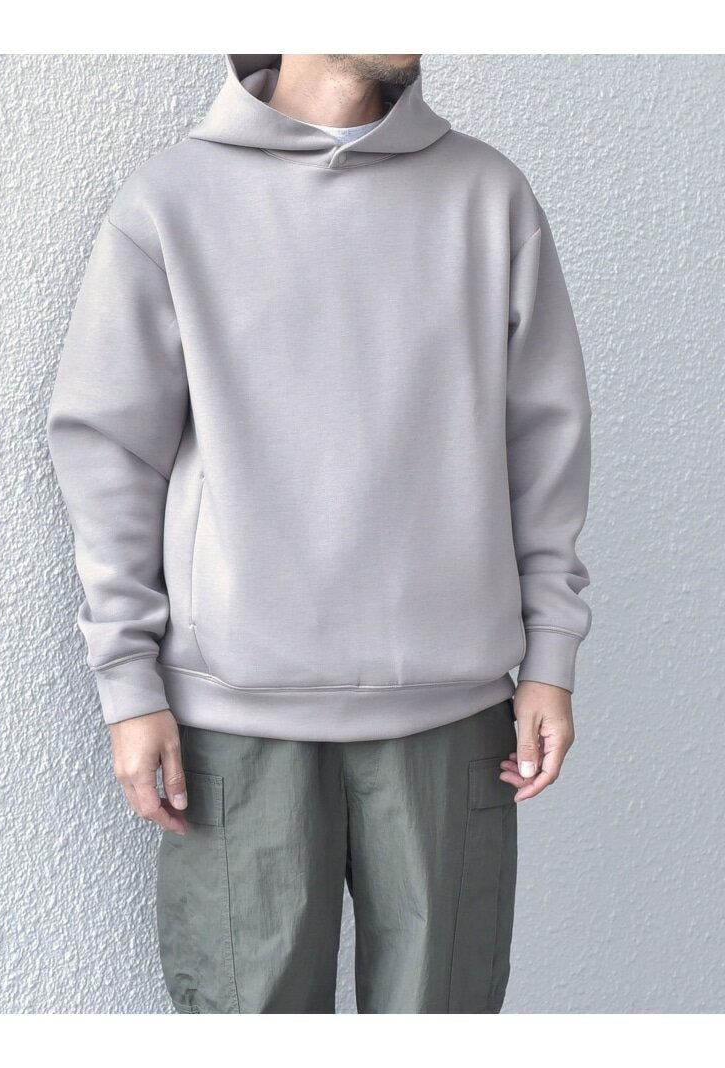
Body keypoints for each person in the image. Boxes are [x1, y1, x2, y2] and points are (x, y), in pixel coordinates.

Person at [46, 53, 593, 1014]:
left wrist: (551, 655)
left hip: (453, 714)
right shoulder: (170, 202)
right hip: (234, 720)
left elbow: (543, 442)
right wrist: (127, 682)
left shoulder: (490, 196)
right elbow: (110, 454)